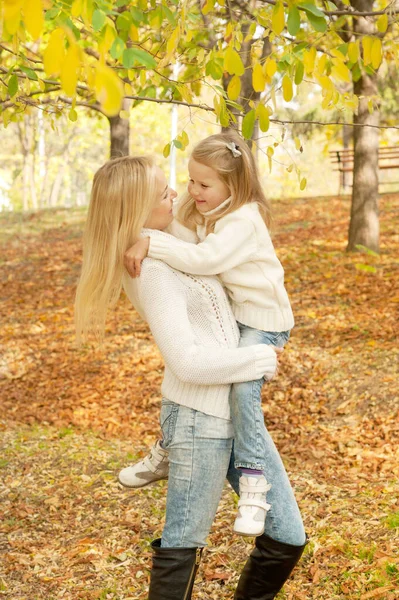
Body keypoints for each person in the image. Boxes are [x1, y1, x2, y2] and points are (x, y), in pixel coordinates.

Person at [75, 155, 307, 600]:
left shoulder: (165, 241)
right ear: (136, 210)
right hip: (199, 419)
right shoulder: (153, 272)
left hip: (235, 414)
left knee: (287, 537)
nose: (177, 195)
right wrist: (258, 359)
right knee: (183, 544)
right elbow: (186, 361)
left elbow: (217, 242)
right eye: (164, 194)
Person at [122, 132, 295, 537]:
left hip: (262, 325)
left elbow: (206, 258)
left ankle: (254, 484)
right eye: (189, 181)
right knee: (228, 384)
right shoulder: (215, 213)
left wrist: (150, 243)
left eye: (203, 184)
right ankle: (170, 444)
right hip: (241, 319)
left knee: (242, 394)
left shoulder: (243, 218)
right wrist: (146, 236)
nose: (191, 190)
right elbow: (186, 240)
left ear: (231, 187)